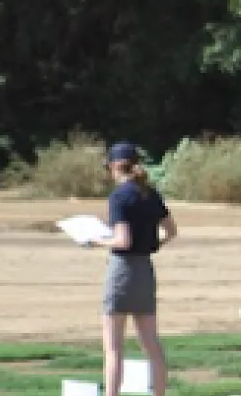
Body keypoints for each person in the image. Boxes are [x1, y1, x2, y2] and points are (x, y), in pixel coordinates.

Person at [84, 142, 178, 396]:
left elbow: (122, 240)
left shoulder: (119, 196)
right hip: (145, 269)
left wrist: (95, 241)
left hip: (122, 269)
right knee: (151, 343)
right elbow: (171, 230)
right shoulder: (150, 193)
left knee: (114, 347)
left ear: (115, 166)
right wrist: (152, 244)